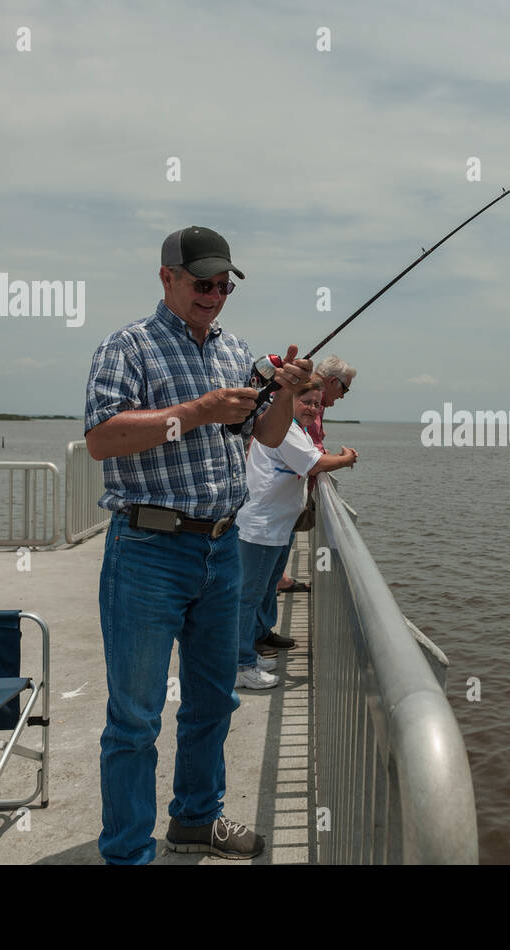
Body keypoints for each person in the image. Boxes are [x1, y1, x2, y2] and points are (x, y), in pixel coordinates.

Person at [84, 225, 311, 864]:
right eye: (201, 283)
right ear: (167, 279)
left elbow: (267, 433)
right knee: (135, 716)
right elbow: (102, 437)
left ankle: (194, 818)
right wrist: (200, 409)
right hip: (148, 551)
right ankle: (128, 852)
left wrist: (286, 389)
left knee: (213, 699)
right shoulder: (127, 347)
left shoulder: (234, 350)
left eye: (222, 285)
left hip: (221, 548)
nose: (213, 295)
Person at [237, 377, 358, 684]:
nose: (314, 409)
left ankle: (249, 654)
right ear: (289, 399)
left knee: (260, 591)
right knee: (247, 597)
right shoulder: (287, 430)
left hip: (275, 524)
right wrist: (346, 459)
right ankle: (239, 666)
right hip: (260, 526)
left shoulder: (296, 428)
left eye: (318, 404)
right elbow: (314, 463)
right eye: (307, 402)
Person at [275, 356, 356, 594]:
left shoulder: (307, 399)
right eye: (345, 388)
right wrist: (345, 459)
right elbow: (308, 457)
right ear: (333, 381)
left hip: (288, 495)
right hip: (282, 497)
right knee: (265, 569)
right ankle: (260, 623)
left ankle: (277, 581)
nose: (342, 395)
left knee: (272, 559)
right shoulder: (308, 401)